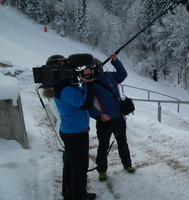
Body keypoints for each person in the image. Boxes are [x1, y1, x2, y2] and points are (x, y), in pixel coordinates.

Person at [46, 55, 97, 200]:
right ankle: (79, 195)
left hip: (71, 132)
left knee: (70, 164)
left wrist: (84, 82)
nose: (70, 70)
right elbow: (85, 103)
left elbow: (81, 95)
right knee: (80, 166)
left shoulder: (64, 87)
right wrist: (90, 84)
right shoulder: (65, 89)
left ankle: (68, 192)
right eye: (65, 67)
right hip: (76, 133)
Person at [89, 54, 135, 182]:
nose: (100, 70)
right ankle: (102, 171)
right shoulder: (89, 84)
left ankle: (127, 164)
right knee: (103, 146)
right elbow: (87, 106)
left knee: (123, 143)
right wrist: (99, 116)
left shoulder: (110, 76)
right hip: (104, 121)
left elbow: (122, 74)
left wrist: (115, 61)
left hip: (119, 118)